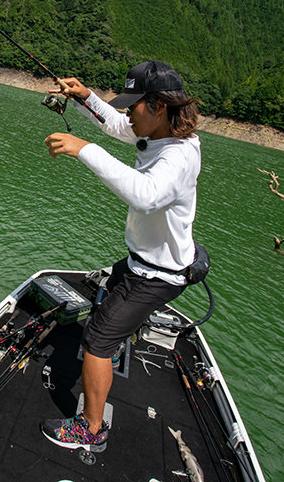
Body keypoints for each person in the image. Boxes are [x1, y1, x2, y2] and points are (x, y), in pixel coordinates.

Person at [40, 60, 202, 451]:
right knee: (106, 305)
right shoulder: (159, 134)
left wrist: (85, 149)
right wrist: (84, 98)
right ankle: (115, 344)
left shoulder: (178, 156)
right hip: (140, 263)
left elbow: (145, 196)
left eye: (134, 104)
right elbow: (118, 125)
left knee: (97, 338)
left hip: (156, 275)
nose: (128, 112)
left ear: (159, 105)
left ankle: (90, 430)